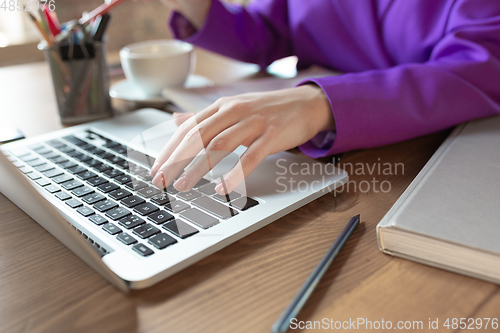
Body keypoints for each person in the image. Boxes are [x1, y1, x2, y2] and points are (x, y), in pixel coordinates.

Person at [149, 0, 500, 195]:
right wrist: (196, 7)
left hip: (429, 165)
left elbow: (480, 66)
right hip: (315, 159)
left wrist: (320, 104)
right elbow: (270, 31)